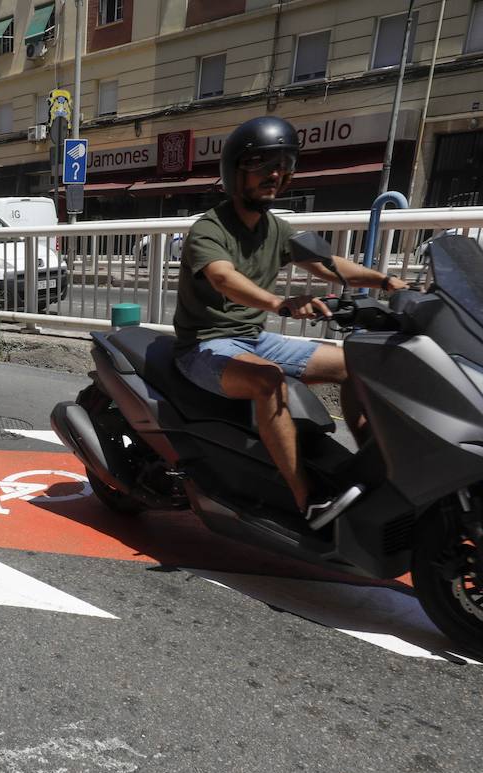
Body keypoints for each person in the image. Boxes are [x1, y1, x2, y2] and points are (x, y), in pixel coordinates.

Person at [174, 116, 408, 530]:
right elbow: (224, 278)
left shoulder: (276, 228)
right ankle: (309, 497)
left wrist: (387, 281)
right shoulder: (208, 229)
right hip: (204, 346)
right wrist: (279, 303)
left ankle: (373, 466)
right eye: (263, 164)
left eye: (283, 165)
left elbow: (326, 264)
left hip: (252, 338)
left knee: (356, 363)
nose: (275, 174)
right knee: (268, 381)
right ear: (236, 171)